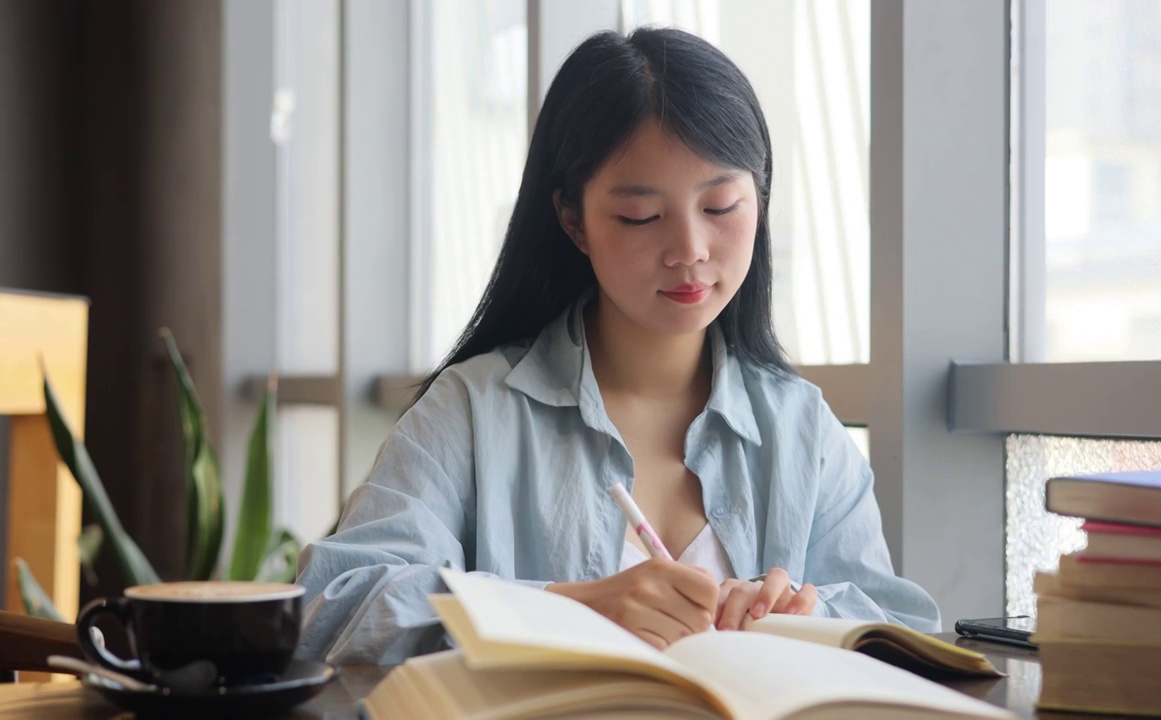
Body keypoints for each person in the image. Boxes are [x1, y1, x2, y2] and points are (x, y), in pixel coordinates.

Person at [295, 26, 940, 666]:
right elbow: (332, 604)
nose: (688, 249)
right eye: (640, 216)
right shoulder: (472, 412)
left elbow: (902, 630)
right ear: (574, 222)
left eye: (720, 206)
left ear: (760, 199)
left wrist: (806, 617)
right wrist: (568, 608)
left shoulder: (804, 432)